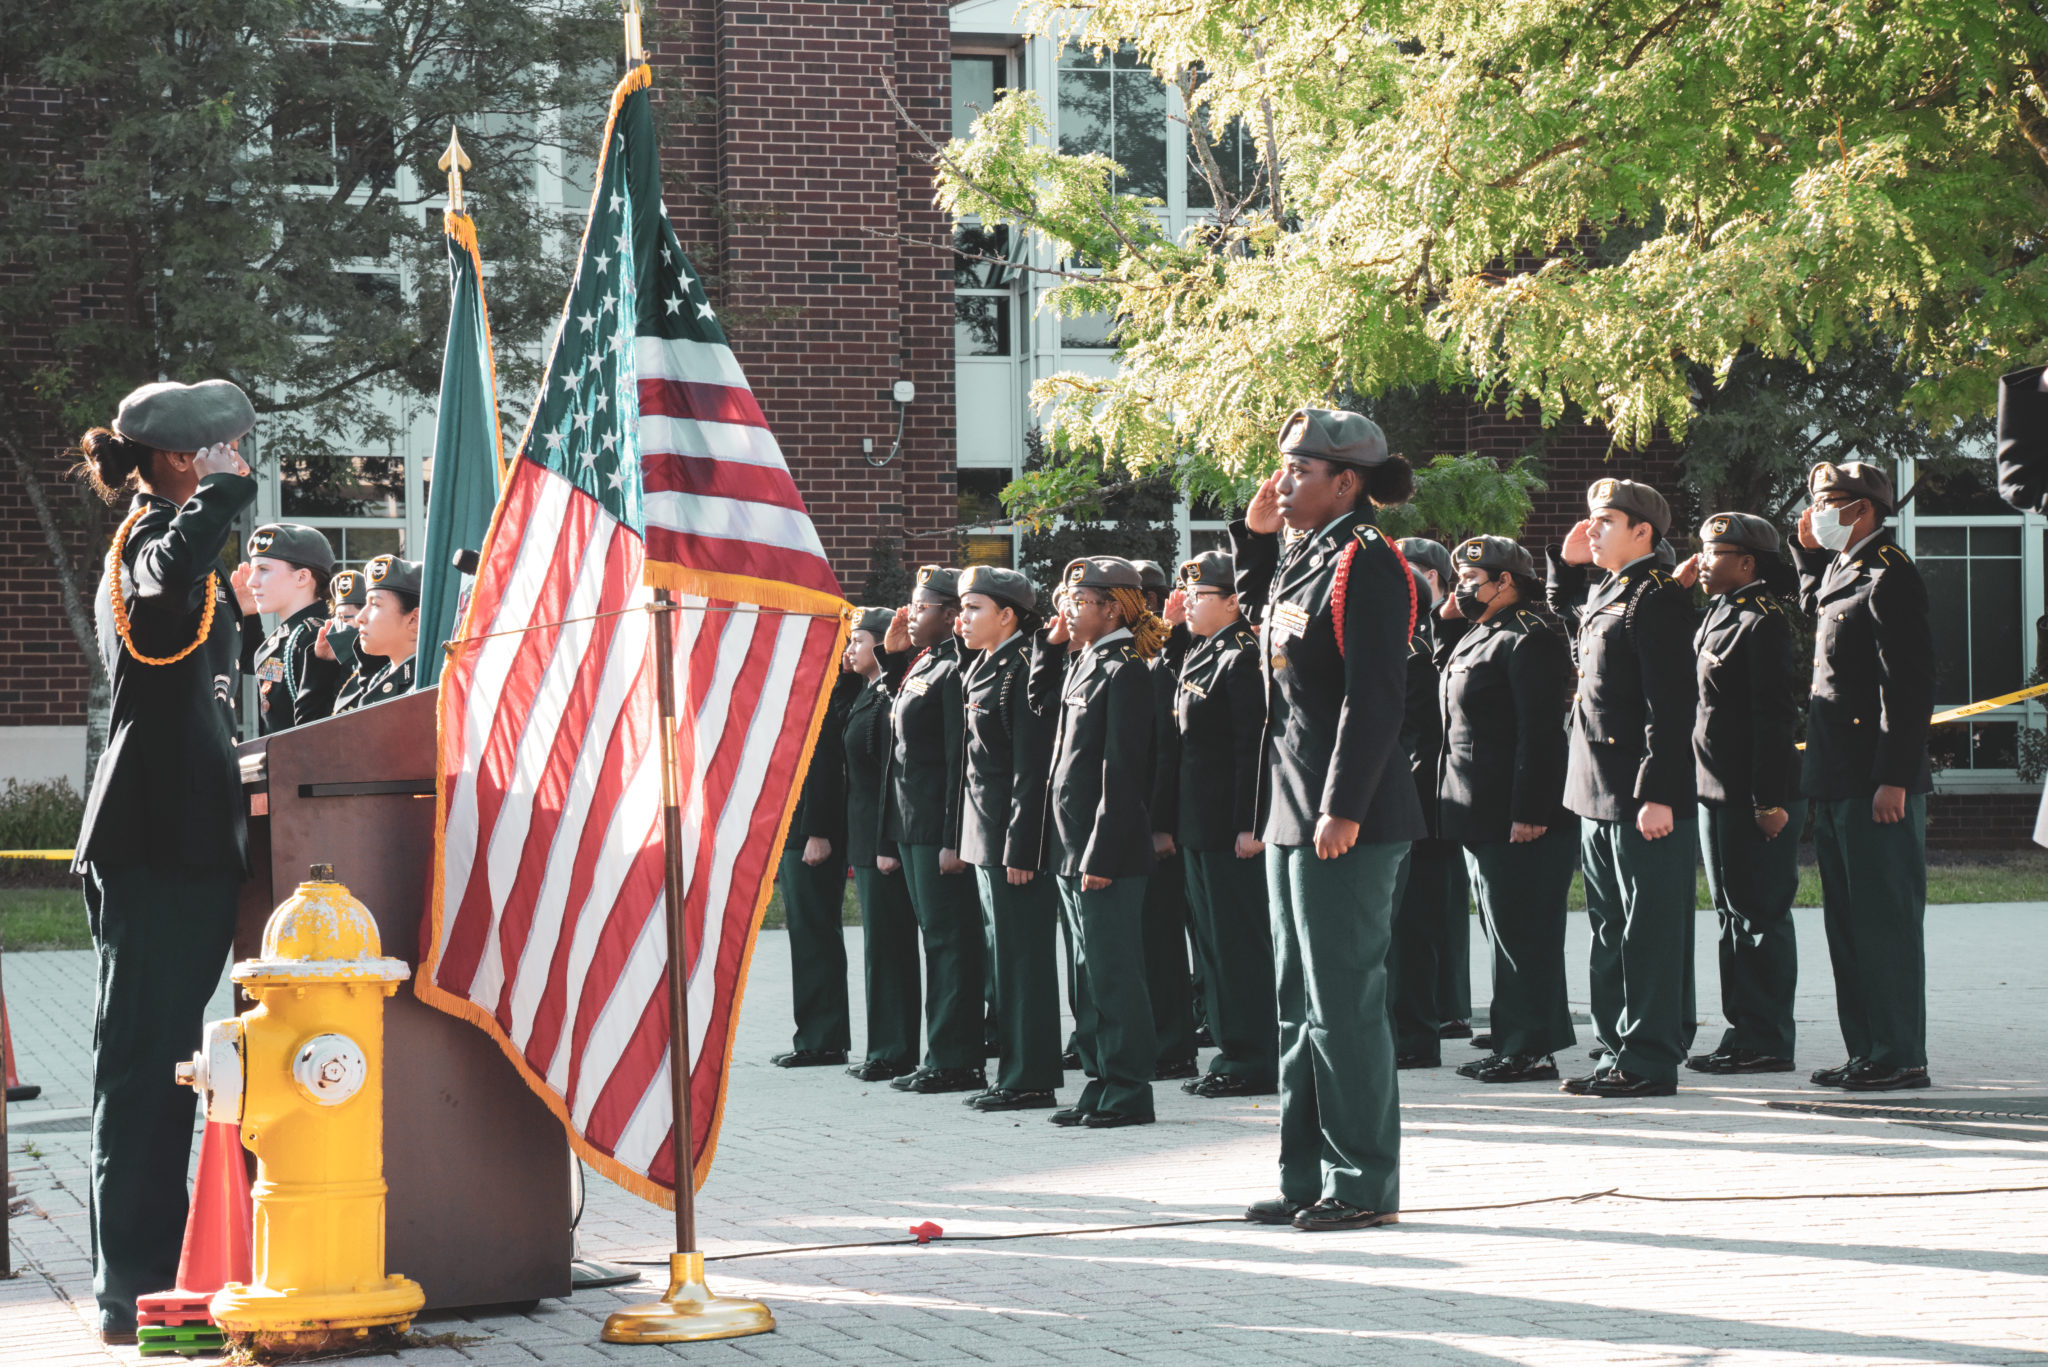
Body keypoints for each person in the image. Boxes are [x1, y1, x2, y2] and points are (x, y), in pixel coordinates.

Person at [69, 379, 258, 1344]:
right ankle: (134, 1287)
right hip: (154, 845)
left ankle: (147, 1271)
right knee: (145, 1071)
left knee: (157, 1063)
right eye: (225, 450)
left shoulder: (166, 534)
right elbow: (165, 580)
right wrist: (215, 502)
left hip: (179, 838)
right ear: (186, 460)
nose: (241, 461)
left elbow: (195, 686)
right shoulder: (153, 535)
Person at [1232, 407, 1423, 1232]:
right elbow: (1262, 629)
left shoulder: (1367, 563)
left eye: (1299, 469)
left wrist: (1342, 804)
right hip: (1290, 808)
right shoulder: (1303, 557)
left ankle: (1363, 1180)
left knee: (1343, 1002)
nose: (1282, 480)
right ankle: (1304, 1173)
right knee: (1294, 1003)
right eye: (1282, 465)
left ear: (1346, 482)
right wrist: (1253, 537)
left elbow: (1376, 699)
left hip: (1346, 816)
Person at [1550, 478, 1699, 1099]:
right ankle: (1616, 1048)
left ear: (1644, 531)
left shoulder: (1655, 597)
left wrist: (1659, 792)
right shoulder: (1608, 591)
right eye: (1590, 518)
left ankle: (1649, 1059)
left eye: (1606, 520)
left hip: (1641, 794)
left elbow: (1672, 704)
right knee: (1610, 927)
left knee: (1650, 930)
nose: (1592, 529)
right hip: (1597, 789)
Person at [1792, 461, 1935, 1091]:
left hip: (1876, 780)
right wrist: (1803, 554)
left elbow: (1908, 686)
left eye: (1830, 503)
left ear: (1864, 511)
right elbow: (1810, 605)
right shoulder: (1842, 571)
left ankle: (1901, 1054)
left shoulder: (1890, 574)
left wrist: (1895, 779)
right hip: (1835, 776)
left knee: (1884, 925)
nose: (1819, 512)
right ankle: (1867, 1051)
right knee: (1848, 925)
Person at [1437, 536, 1577, 1084]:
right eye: (1459, 580)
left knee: (1525, 935)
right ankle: (1514, 1040)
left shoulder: (1532, 638)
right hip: (1482, 812)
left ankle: (1532, 1049)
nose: (1463, 588)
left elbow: (1540, 733)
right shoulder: (1480, 634)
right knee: (1504, 934)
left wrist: (1531, 810)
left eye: (1474, 580)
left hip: (1522, 816)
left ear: (1508, 583)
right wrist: (1448, 616)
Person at [1672, 514, 1807, 1074]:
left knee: (1760, 915)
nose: (1702, 560)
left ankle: (1769, 1039)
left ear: (1747, 563)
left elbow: (1775, 719)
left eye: (1714, 551)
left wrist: (1769, 800)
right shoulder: (1717, 615)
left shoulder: (1764, 622)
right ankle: (1743, 1031)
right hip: (1716, 791)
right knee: (1731, 914)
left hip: (1754, 796)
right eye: (1700, 550)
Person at [1032, 557, 1165, 1128]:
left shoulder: (1127, 669)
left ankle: (1130, 1089)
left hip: (1104, 849)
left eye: (1079, 599)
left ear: (1113, 606)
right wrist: (1049, 646)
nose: (1067, 605)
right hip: (1073, 845)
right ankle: (1100, 1081)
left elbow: (1123, 771)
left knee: (1113, 973)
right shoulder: (1085, 660)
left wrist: (1102, 852)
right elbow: (1040, 715)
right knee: (1087, 976)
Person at [1159, 551, 1276, 1097]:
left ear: (1233, 601)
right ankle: (1232, 1051)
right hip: (1198, 825)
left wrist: (1251, 824)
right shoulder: (1200, 651)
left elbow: (1253, 748)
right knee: (1212, 947)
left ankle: (1255, 1055)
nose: (1188, 605)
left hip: (1233, 829)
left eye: (1200, 596)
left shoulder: (1243, 656)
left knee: (1239, 945)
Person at [955, 566, 1064, 1111]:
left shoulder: (1023, 667)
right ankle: (1014, 1071)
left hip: (1011, 840)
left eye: (974, 607)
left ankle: (1031, 1077)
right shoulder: (983, 664)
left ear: (1007, 615)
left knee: (1024, 961)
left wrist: (1022, 845)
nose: (962, 617)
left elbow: (1030, 767)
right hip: (987, 835)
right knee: (1004, 960)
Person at [881, 567, 986, 1094]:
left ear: (951, 615)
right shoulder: (924, 665)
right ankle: (939, 1052)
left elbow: (954, 760)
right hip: (910, 824)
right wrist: (894, 657)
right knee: (935, 940)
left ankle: (956, 1057)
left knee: (951, 942)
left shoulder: (955, 670)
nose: (911, 614)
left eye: (923, 608)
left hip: (935, 829)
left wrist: (952, 837)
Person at [840, 608, 922, 1082]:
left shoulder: (888, 697)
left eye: (858, 641)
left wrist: (887, 843)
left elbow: (894, 776)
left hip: (883, 840)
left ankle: (894, 1050)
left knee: (890, 947)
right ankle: (883, 1047)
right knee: (878, 947)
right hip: (867, 839)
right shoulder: (868, 693)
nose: (850, 650)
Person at [1399, 537, 1475, 1043]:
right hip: (1420, 787)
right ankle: (1440, 1007)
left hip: (1431, 790)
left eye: (1416, 573)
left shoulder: (1445, 633)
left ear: (1435, 579)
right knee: (1425, 911)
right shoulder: (1414, 633)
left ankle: (1443, 1009)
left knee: (1436, 909)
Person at [772, 663, 855, 1068]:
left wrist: (818, 833)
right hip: (793, 830)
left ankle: (824, 1040)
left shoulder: (816, 686)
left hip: (810, 833)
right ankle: (813, 1037)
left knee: (815, 934)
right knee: (805, 935)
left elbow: (823, 766)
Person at [1390, 557, 1449, 1069]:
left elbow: (1413, 740)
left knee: (1409, 930)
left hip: (1411, 806)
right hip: (1407, 803)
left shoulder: (1409, 653)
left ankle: (1415, 1035)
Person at [233, 522, 340, 731]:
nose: (252, 581)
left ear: (302, 577)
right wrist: (248, 614)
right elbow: (258, 661)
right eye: (254, 569)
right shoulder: (294, 634)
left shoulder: (315, 637)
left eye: (263, 569)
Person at [334, 554, 424, 708]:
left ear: (413, 619)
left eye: (375, 604)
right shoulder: (380, 676)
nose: (360, 617)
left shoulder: (426, 686)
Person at [315, 568, 384, 714]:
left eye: (346, 619)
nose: (340, 627)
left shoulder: (381, 666)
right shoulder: (338, 665)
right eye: (338, 619)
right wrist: (322, 662)